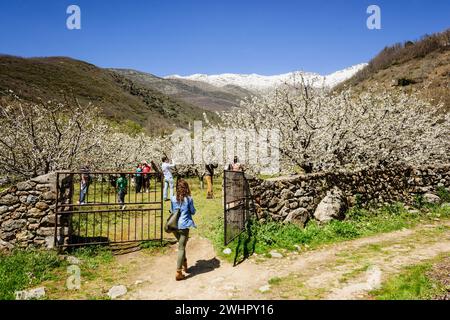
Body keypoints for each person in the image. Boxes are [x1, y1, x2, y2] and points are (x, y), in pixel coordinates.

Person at [170, 179, 196, 281]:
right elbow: (193, 212)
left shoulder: (172, 198)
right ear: (186, 188)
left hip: (174, 226)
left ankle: (185, 265)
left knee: (182, 245)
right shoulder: (189, 199)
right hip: (184, 226)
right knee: (181, 247)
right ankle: (178, 272)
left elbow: (172, 211)